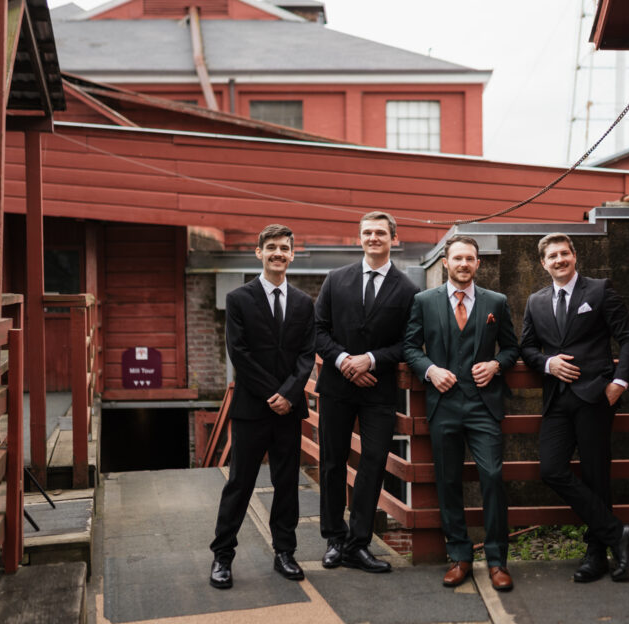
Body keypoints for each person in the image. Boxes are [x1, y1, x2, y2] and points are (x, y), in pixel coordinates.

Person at [520, 233, 629, 583]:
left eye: (564, 253)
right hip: (556, 399)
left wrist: (620, 382)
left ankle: (596, 554)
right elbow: (526, 348)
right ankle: (618, 533)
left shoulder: (600, 290)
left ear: (574, 256)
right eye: (552, 256)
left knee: (596, 475)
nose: (559, 260)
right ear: (543, 263)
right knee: (551, 469)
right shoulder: (535, 301)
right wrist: (548, 364)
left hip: (595, 397)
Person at [404, 235, 519, 591]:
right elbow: (410, 347)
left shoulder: (496, 302)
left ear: (478, 263)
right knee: (448, 480)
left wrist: (496, 365)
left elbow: (512, 348)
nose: (464, 264)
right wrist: (430, 370)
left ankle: (497, 560)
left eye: (470, 258)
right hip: (443, 405)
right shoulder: (424, 301)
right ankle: (460, 556)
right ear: (446, 263)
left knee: (492, 477)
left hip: (484, 405)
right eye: (458, 258)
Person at [210, 224, 315, 589]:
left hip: (289, 410)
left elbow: (307, 355)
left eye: (284, 248)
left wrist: (289, 394)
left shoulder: (303, 303)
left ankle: (285, 552)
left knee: (287, 483)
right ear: (259, 253)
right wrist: (275, 394)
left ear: (292, 255)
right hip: (252, 408)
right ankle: (222, 556)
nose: (278, 253)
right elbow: (238, 352)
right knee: (239, 483)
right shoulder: (239, 299)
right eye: (271, 247)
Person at [314, 210, 419, 573]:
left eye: (381, 233)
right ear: (359, 238)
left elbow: (408, 343)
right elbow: (318, 330)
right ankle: (334, 539)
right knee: (332, 463)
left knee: (373, 464)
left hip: (378, 390)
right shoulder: (335, 279)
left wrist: (370, 360)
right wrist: (345, 361)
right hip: (336, 387)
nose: (374, 237)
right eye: (368, 232)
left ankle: (358, 544)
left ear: (394, 238)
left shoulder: (408, 290)